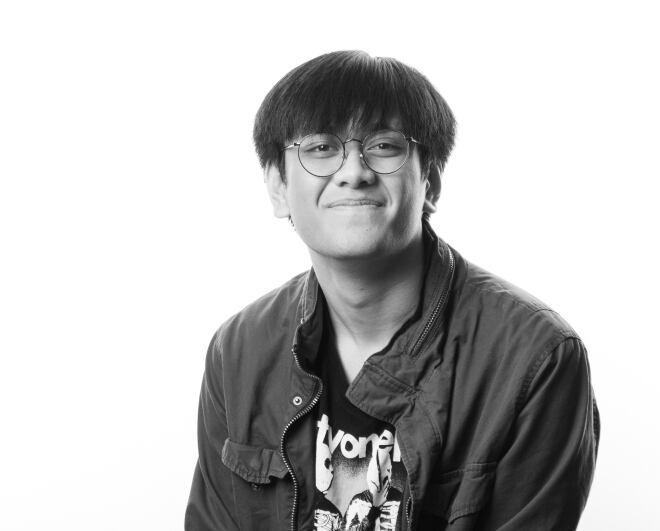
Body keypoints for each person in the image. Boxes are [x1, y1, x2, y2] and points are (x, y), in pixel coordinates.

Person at [185, 50, 599, 531]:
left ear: (431, 182)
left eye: (384, 146)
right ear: (278, 187)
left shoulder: (535, 358)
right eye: (320, 148)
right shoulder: (239, 349)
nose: (353, 170)